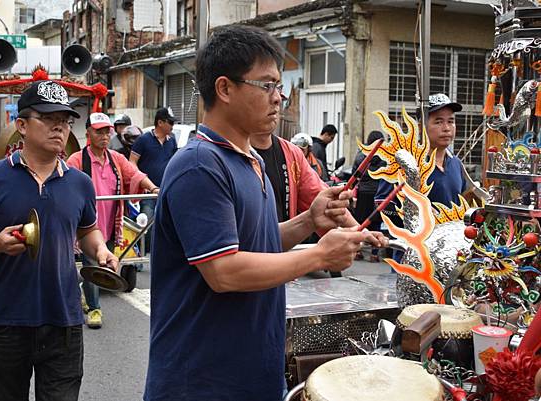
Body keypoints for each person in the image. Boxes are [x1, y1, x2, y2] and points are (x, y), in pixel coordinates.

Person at [144, 25, 387, 401]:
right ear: (224, 89)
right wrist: (319, 254)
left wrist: (309, 221)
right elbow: (224, 271)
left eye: (280, 86)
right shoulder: (199, 165)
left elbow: (257, 241)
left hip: (251, 370)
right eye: (267, 86)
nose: (278, 99)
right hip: (202, 380)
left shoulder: (250, 159)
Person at [0, 80, 118, 401]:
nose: (60, 128)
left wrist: (101, 249)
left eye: (66, 121)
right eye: (49, 118)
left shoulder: (80, 183)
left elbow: (87, 231)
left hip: (65, 320)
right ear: (22, 125)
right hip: (9, 319)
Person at [67, 113, 158, 329]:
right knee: (91, 262)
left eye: (107, 131)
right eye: (99, 131)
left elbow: (134, 174)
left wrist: (153, 188)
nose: (104, 135)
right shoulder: (77, 160)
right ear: (88, 133)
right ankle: (94, 307)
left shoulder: (116, 159)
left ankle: (87, 296)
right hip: (86, 226)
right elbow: (67, 186)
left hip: (110, 221)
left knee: (104, 263)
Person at [375, 93, 466, 262]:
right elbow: (382, 205)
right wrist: (416, 212)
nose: (446, 128)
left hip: (449, 257)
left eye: (451, 121)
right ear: (421, 125)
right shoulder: (406, 163)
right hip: (413, 258)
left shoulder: (456, 164)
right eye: (438, 121)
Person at [129, 107, 177, 250]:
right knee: (145, 223)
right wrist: (141, 180)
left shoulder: (172, 141)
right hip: (147, 192)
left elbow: (173, 162)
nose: (172, 126)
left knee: (165, 223)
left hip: (165, 190)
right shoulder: (143, 140)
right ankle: (141, 253)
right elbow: (131, 162)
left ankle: (159, 252)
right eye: (170, 123)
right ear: (160, 122)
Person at [352, 130, 385, 262]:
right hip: (378, 193)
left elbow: (355, 174)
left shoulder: (361, 155)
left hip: (363, 193)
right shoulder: (385, 157)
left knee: (360, 223)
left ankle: (358, 251)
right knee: (375, 223)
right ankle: (374, 253)